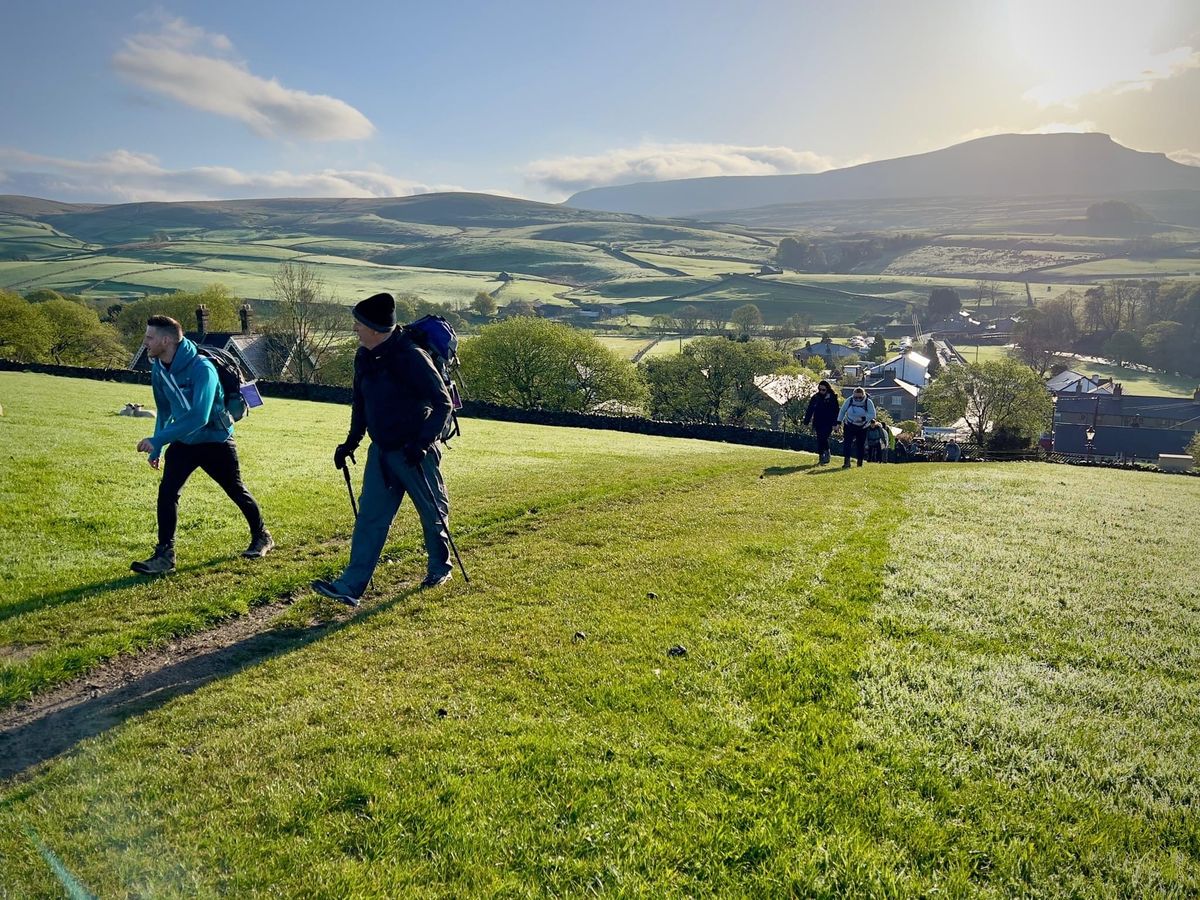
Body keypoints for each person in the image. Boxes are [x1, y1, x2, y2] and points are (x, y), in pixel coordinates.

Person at [311, 292, 454, 607]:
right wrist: (350, 442)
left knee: (432, 515)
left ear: (374, 328)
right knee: (371, 518)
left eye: (358, 325)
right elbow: (360, 403)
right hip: (382, 452)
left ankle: (440, 569)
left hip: (416, 452)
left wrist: (422, 443)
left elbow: (443, 403)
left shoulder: (412, 356)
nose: (355, 330)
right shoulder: (364, 356)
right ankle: (350, 585)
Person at [132, 315, 272, 575]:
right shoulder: (158, 368)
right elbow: (164, 411)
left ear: (166, 340)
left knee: (235, 490)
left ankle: (262, 535)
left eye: (149, 338)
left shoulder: (202, 368)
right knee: (167, 493)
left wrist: (158, 439)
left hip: (215, 441)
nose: (145, 343)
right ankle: (165, 556)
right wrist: (159, 447)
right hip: (184, 442)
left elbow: (200, 416)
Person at [802, 379, 841, 465]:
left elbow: (836, 411)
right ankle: (821, 457)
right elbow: (810, 410)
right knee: (820, 439)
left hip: (829, 422)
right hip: (818, 421)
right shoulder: (815, 397)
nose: (821, 391)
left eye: (823, 390)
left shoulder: (832, 398)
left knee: (824, 438)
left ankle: (826, 453)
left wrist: (836, 423)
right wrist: (806, 421)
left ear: (827, 389)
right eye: (820, 389)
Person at [837, 386, 876, 468]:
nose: (857, 399)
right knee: (847, 444)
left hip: (862, 427)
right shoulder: (849, 400)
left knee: (860, 445)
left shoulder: (868, 402)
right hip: (849, 425)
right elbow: (842, 411)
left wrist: (863, 418)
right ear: (853, 395)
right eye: (856, 397)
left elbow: (873, 414)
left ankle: (859, 463)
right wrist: (838, 423)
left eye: (860, 397)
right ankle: (847, 462)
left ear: (864, 395)